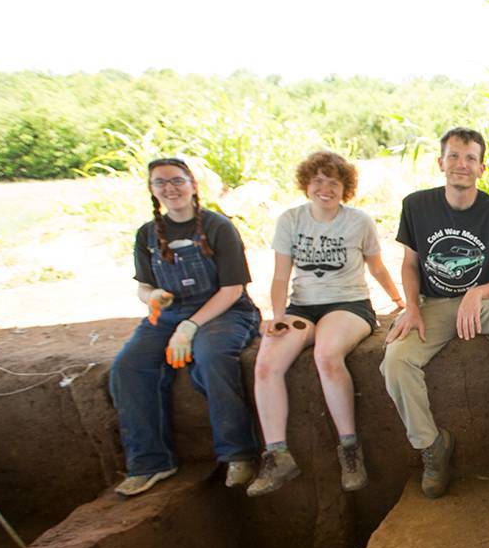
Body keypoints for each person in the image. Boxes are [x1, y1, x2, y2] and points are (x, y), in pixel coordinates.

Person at [381, 127, 489, 499]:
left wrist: (477, 292)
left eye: (470, 158)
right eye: (455, 156)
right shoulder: (417, 206)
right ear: (441, 162)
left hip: (485, 304)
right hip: (435, 304)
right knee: (395, 360)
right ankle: (432, 445)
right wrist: (410, 307)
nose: (462, 165)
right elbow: (410, 264)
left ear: (482, 168)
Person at [246, 151, 403, 496]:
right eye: (318, 180)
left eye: (334, 182)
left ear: (345, 188)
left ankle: (350, 448)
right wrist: (277, 316)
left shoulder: (358, 221)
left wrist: (397, 300)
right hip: (301, 306)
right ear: (307, 183)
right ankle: (278, 453)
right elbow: (280, 275)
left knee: (327, 355)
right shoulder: (291, 220)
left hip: (349, 304)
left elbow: (376, 267)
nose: (325, 188)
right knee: (266, 364)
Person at [109, 157, 260, 496]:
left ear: (193, 184)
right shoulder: (147, 234)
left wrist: (190, 327)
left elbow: (232, 289)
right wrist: (153, 297)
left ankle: (238, 453)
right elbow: (143, 287)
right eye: (161, 183)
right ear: (152, 190)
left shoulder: (218, 227)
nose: (170, 188)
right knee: (128, 368)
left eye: (176, 180)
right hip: (168, 315)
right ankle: (151, 463)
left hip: (226, 312)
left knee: (211, 358)